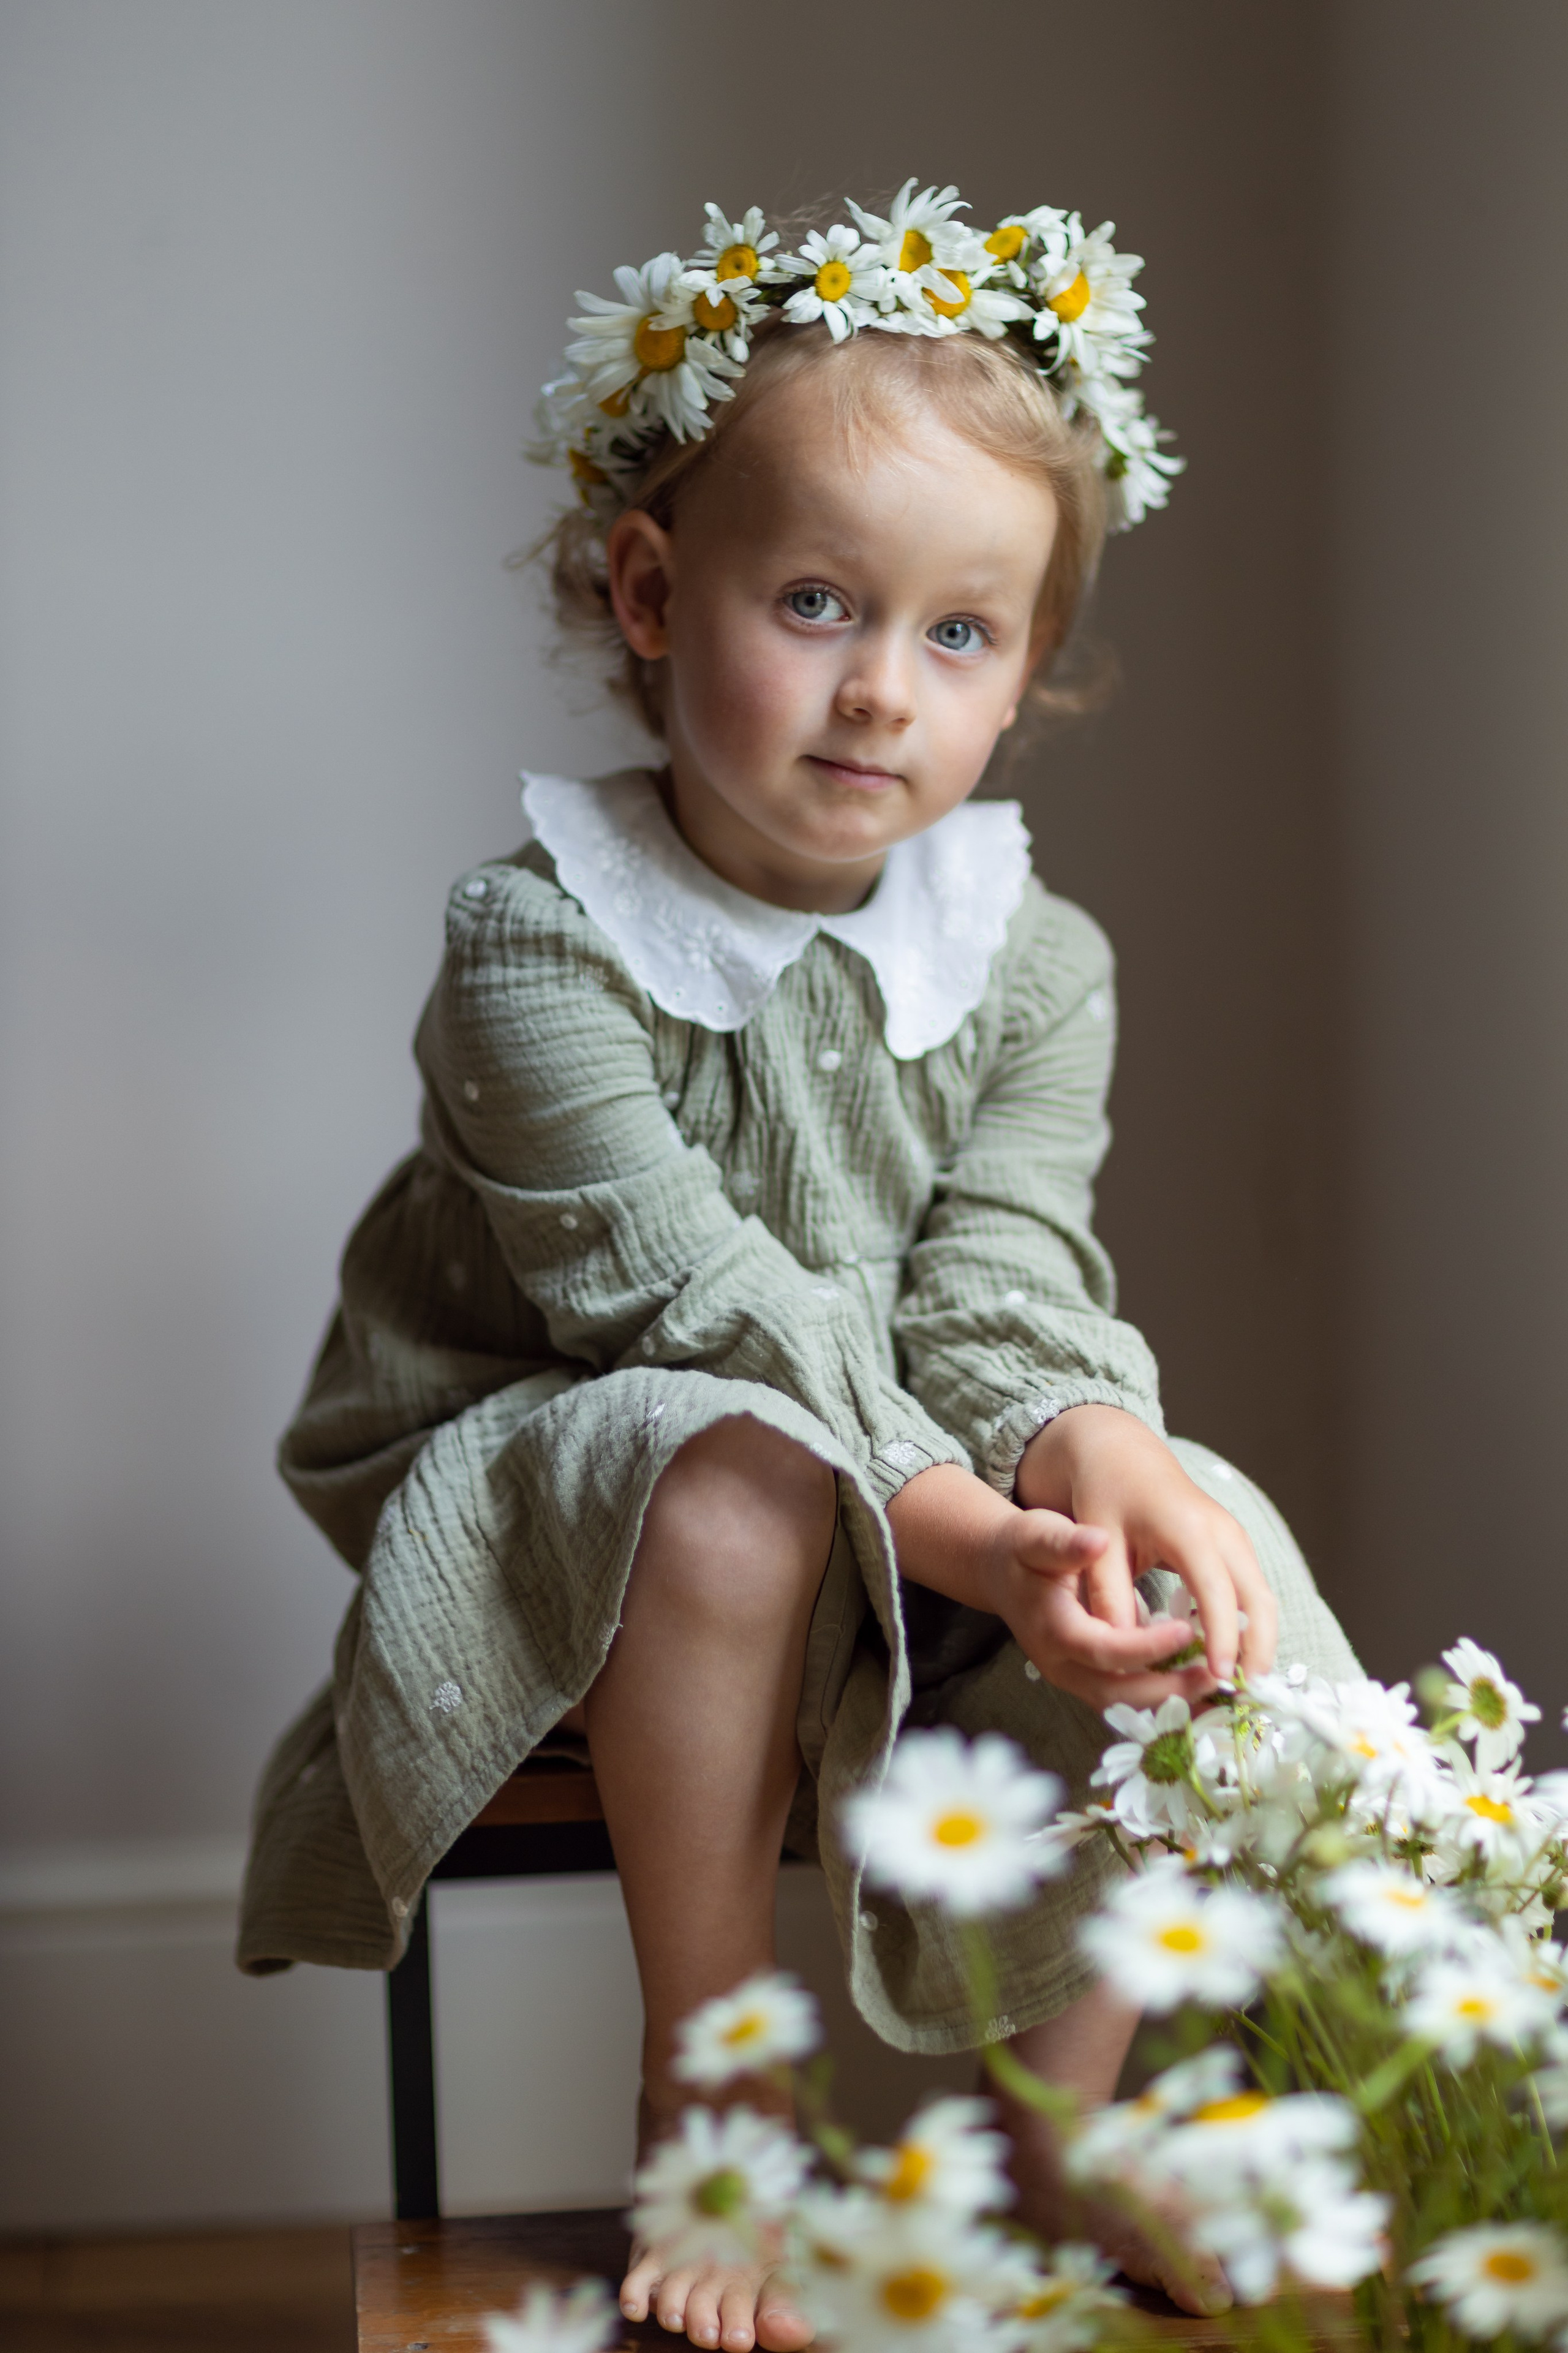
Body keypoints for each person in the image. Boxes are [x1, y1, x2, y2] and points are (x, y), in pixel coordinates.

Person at [238, 183, 1358, 2338]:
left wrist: (1096, 1446)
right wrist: (966, 1525)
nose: (880, 693)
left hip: (919, 1458)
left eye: (960, 634)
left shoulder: (1033, 964)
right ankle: (717, 2098)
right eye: (820, 601)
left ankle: (1077, 2123)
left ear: (1027, 669)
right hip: (574, 1467)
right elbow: (684, 1296)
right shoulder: (540, 943)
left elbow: (998, 1278)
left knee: (1187, 1527)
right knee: (742, 1454)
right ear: (654, 592)